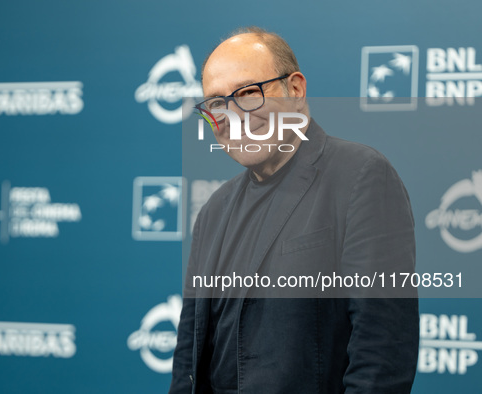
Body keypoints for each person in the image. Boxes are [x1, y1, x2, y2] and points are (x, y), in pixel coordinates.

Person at [169, 27, 419, 394]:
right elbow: (189, 359)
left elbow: (382, 356)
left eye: (248, 93)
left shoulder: (360, 176)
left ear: (296, 90)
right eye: (216, 103)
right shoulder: (212, 212)